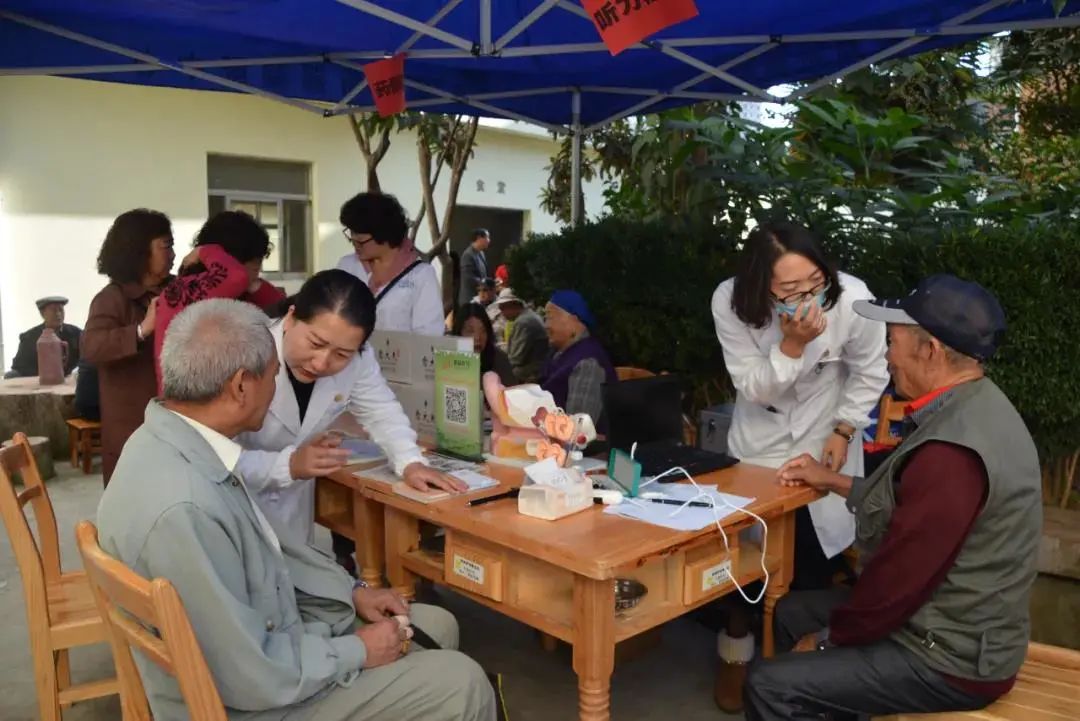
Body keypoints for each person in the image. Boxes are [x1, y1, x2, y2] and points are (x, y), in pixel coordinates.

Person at [97, 299, 495, 721]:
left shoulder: (165, 441)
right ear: (240, 387)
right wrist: (357, 650)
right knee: (463, 683)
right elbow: (253, 674)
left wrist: (352, 592)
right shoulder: (185, 508)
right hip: (245, 702)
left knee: (435, 625)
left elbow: (265, 555)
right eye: (274, 376)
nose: (278, 388)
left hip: (260, 643)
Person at [745, 274, 1041, 721]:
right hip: (943, 620)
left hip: (949, 657)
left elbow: (898, 581)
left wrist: (827, 642)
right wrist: (833, 480)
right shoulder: (973, 403)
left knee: (769, 685)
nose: (886, 356)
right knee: (791, 611)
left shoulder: (952, 453)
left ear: (930, 350)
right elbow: (912, 506)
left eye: (892, 342)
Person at [236, 270, 466, 562]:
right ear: (291, 317)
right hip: (235, 507)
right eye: (315, 343)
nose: (322, 363)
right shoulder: (244, 352)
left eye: (342, 354)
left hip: (292, 516)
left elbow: (381, 411)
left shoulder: (358, 360)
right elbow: (209, 452)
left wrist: (410, 461)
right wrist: (289, 465)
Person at [711, 222, 888, 587]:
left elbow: (871, 371)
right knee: (751, 559)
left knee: (814, 550)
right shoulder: (730, 301)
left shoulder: (854, 299)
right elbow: (753, 387)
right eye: (791, 290)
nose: (808, 298)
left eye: (816, 282)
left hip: (825, 431)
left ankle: (805, 612)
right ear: (760, 285)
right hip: (760, 438)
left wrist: (844, 429)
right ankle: (750, 619)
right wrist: (792, 346)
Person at [83, 209, 175, 484]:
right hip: (132, 429)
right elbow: (91, 347)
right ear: (140, 250)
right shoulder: (112, 299)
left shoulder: (175, 290)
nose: (172, 254)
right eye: (166, 246)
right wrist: (141, 330)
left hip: (174, 423)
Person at [155, 210, 284, 390]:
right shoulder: (186, 289)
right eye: (255, 266)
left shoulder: (231, 292)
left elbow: (280, 313)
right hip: (191, 400)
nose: (257, 273)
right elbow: (237, 277)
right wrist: (205, 251)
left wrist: (255, 286)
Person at [336, 192, 443, 336]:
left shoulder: (421, 275)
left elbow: (429, 334)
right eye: (351, 235)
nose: (354, 243)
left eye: (361, 241)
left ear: (384, 234)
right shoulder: (347, 266)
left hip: (400, 350)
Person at [539, 290, 616, 429]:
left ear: (574, 321)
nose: (546, 325)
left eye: (550, 317)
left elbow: (578, 429)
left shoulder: (587, 362)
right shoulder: (558, 354)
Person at [6, 296, 81, 378]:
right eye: (54, 310)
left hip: (69, 378)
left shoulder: (76, 333)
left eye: (61, 310)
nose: (58, 314)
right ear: (42, 314)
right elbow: (19, 366)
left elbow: (85, 360)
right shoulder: (29, 337)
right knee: (10, 375)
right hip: (39, 379)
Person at [453, 303, 517, 387]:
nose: (477, 337)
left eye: (483, 330)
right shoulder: (448, 358)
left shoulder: (500, 360)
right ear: (459, 333)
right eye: (470, 331)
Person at [495, 289, 548, 383]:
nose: (502, 313)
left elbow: (515, 359)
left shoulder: (523, 322)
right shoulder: (529, 315)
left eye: (503, 308)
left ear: (513, 305)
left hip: (532, 370)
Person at [458, 229, 490, 310]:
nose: (489, 240)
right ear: (479, 238)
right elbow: (469, 278)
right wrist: (487, 284)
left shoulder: (481, 253)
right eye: (487, 237)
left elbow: (483, 275)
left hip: (480, 299)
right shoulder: (468, 255)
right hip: (469, 300)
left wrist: (491, 282)